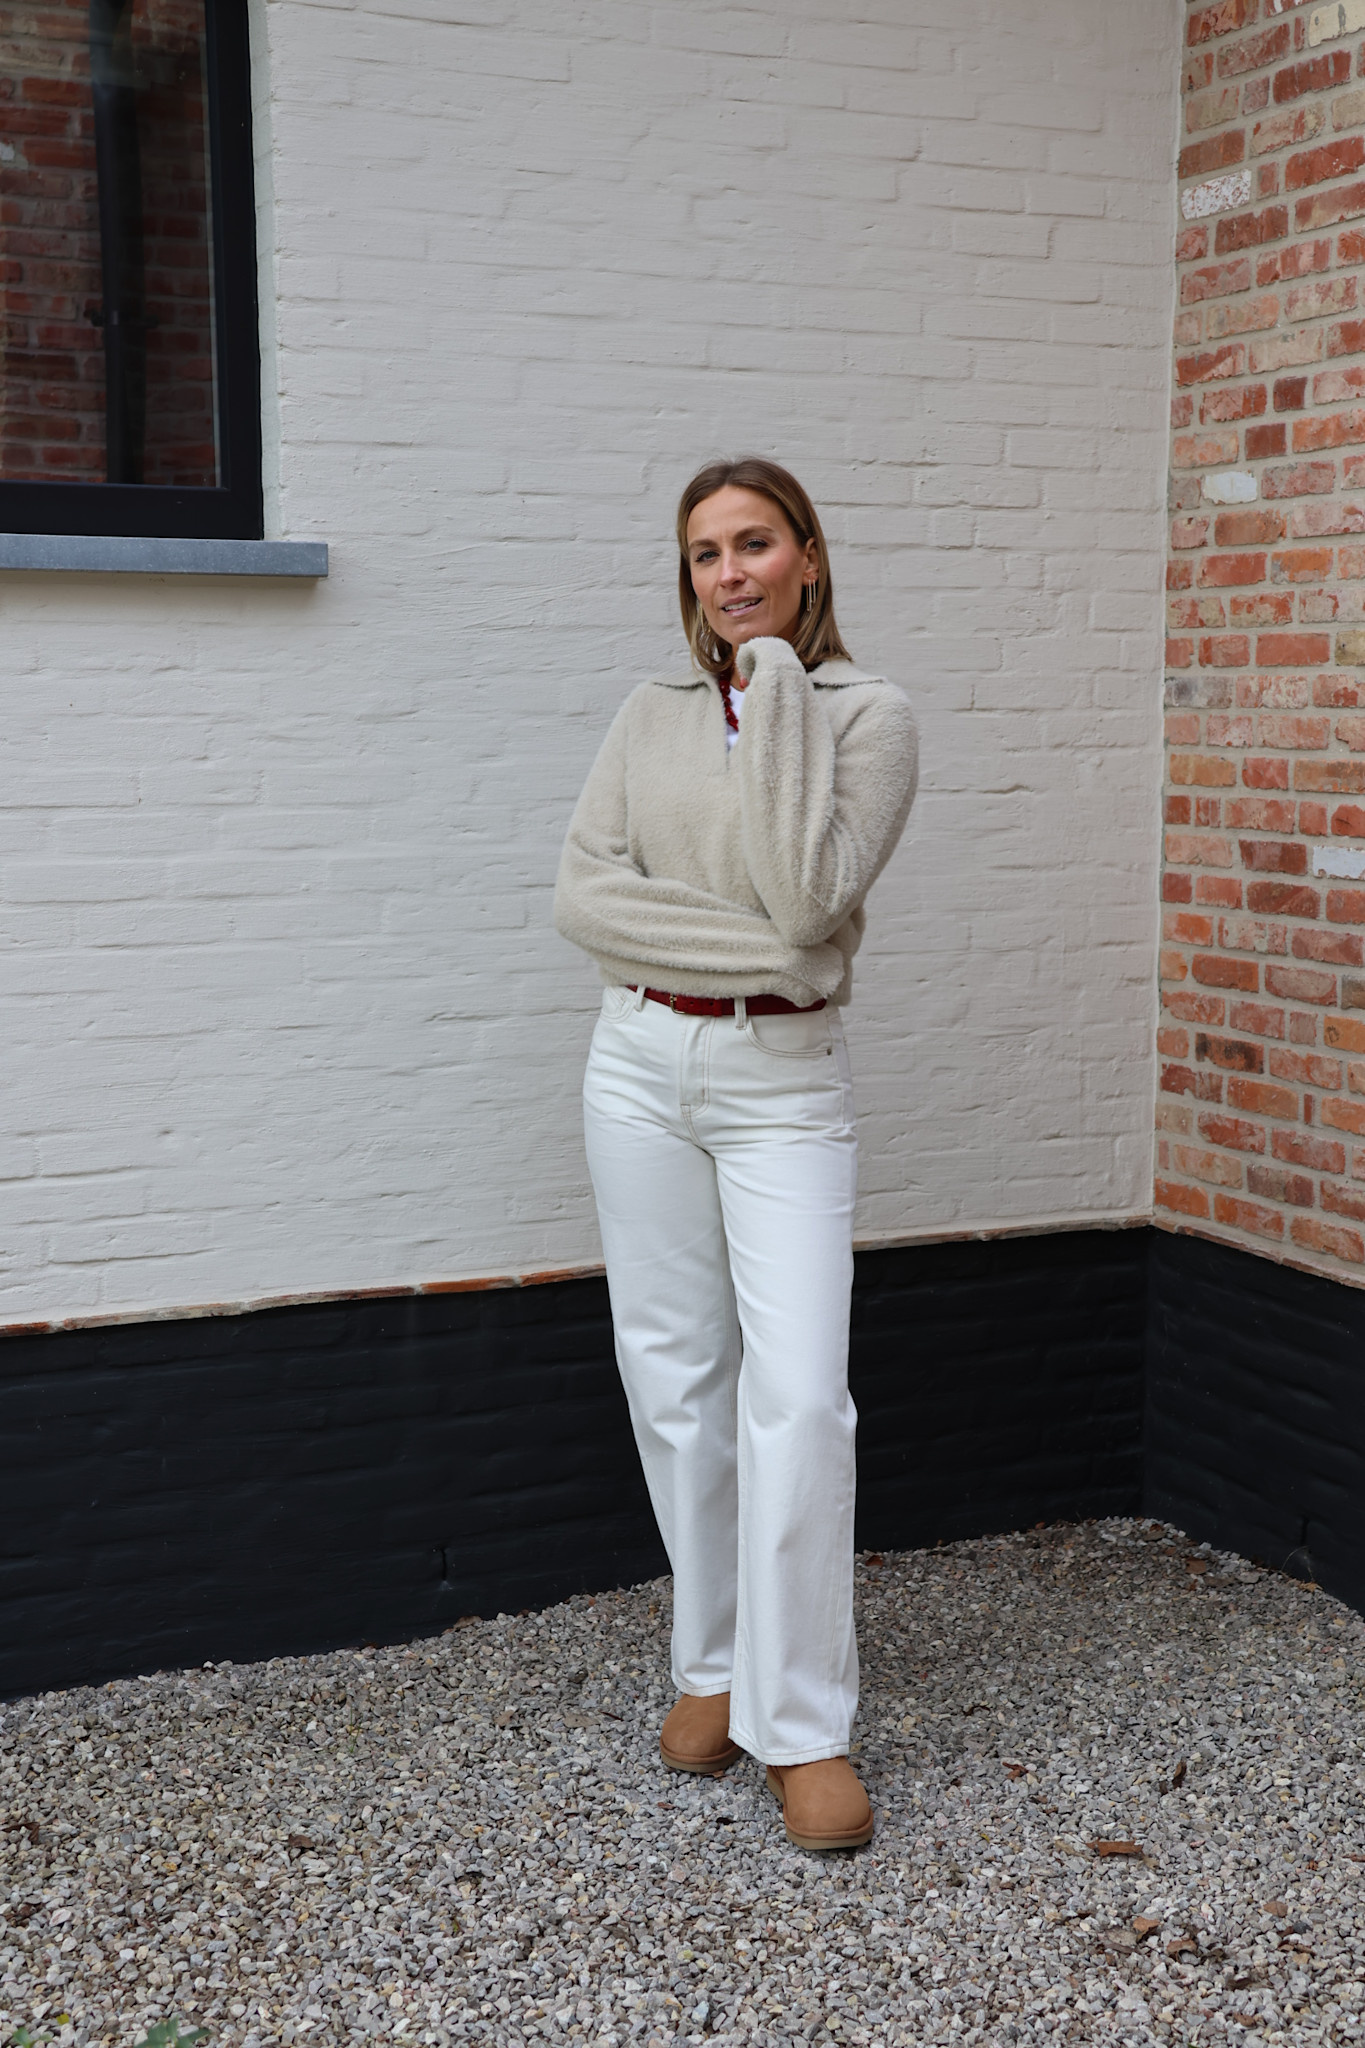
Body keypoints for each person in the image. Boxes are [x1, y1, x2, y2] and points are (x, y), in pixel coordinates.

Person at [554, 456, 918, 1852]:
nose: (728, 573)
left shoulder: (865, 715)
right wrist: (770, 950)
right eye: (704, 553)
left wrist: (771, 685)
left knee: (801, 1397)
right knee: (673, 1377)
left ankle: (801, 1721)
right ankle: (710, 1663)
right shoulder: (645, 713)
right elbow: (587, 899)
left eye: (753, 544)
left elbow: (809, 894)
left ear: (807, 555)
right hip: (638, 1063)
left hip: (781, 1083)